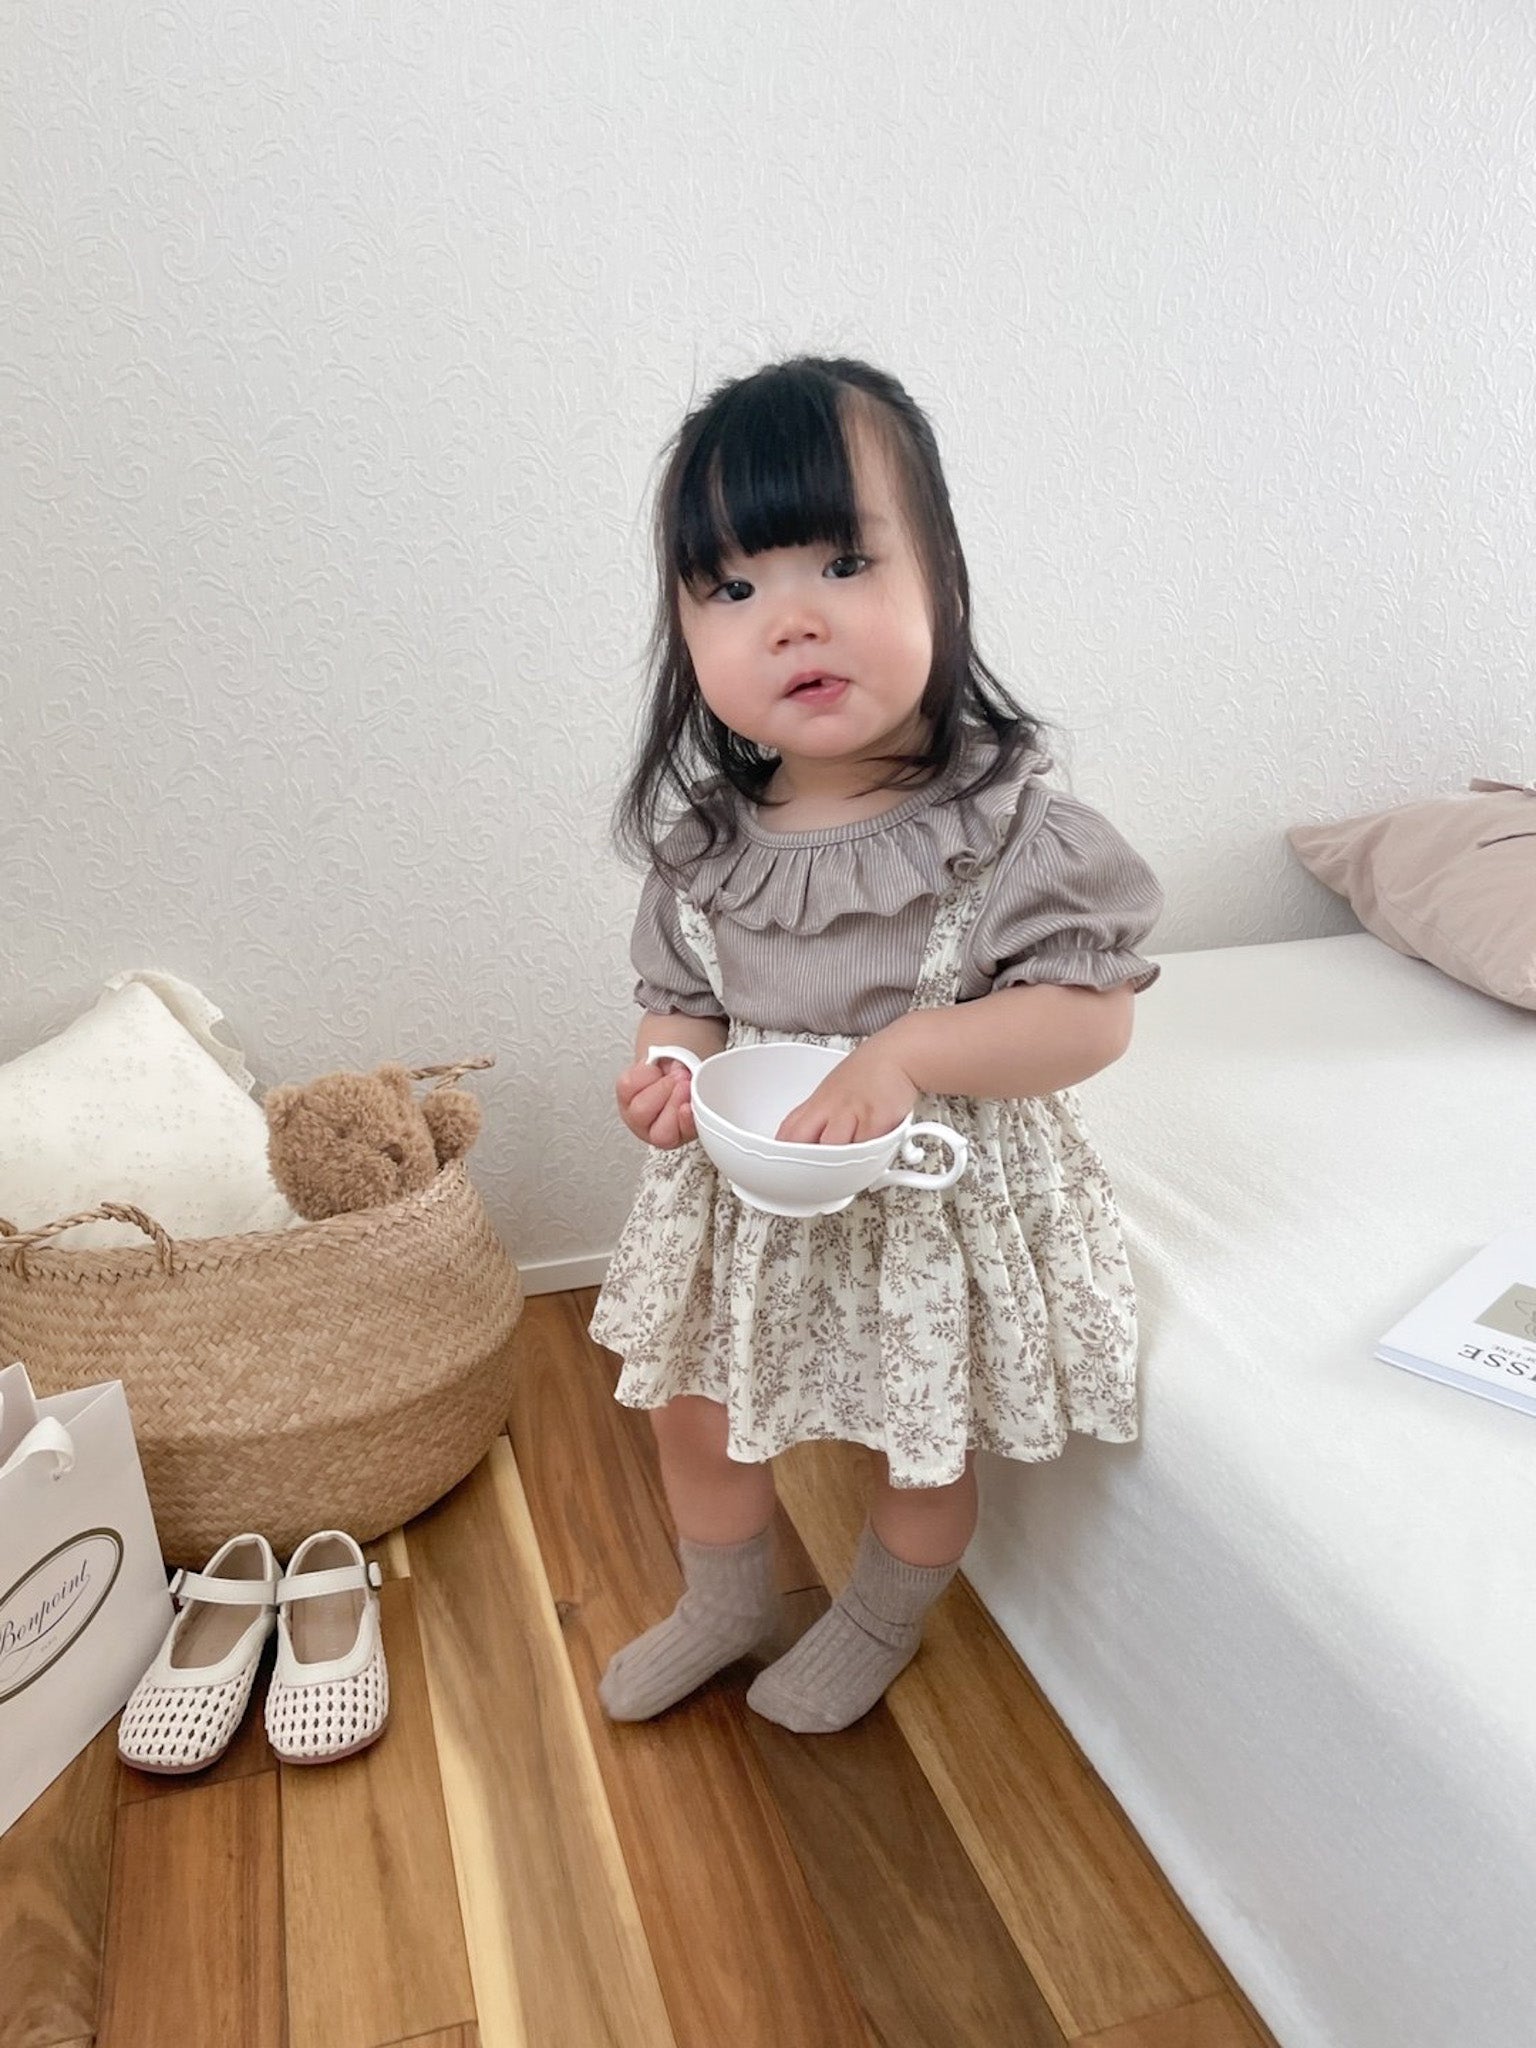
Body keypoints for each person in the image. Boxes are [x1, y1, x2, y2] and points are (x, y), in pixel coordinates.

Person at [589, 356, 1162, 1734]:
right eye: (732, 588)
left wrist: (907, 1053)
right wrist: (670, 1069)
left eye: (843, 563)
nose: (791, 619)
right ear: (685, 633)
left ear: (941, 581)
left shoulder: (1011, 830)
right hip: (748, 1199)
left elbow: (1092, 1013)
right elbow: (684, 996)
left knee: (919, 1436)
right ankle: (724, 1602)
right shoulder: (706, 851)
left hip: (925, 1201)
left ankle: (878, 1620)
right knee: (691, 1406)